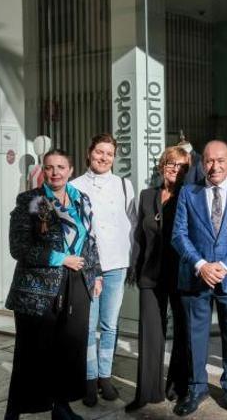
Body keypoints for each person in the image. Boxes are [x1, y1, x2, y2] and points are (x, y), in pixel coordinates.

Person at [4, 149, 102, 420]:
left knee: (68, 352)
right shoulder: (33, 201)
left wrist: (97, 275)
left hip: (77, 284)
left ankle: (61, 408)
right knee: (31, 355)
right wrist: (62, 259)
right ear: (43, 171)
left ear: (71, 170)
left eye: (61, 166)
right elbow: (19, 247)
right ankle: (13, 412)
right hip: (38, 288)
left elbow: (90, 241)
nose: (55, 172)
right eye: (49, 167)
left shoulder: (81, 199)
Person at [171, 140, 227, 414]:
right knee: (196, 335)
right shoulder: (188, 193)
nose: (215, 166)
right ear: (202, 163)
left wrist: (222, 265)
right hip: (197, 277)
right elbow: (179, 235)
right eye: (209, 160)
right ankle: (197, 388)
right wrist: (201, 265)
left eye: (221, 160)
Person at [70, 133, 136, 406]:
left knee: (110, 325)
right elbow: (74, 232)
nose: (104, 157)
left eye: (109, 154)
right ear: (89, 152)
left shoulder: (124, 185)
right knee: (88, 325)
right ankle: (88, 379)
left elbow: (131, 224)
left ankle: (105, 376)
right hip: (88, 267)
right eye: (99, 152)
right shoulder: (74, 186)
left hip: (117, 264)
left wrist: (131, 262)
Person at [125, 146, 192, 412]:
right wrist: (135, 269)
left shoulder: (191, 197)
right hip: (150, 274)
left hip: (181, 274)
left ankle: (176, 385)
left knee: (183, 333)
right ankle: (147, 392)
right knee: (150, 334)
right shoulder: (146, 196)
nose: (175, 169)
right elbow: (139, 238)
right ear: (161, 166)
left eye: (182, 166)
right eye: (171, 164)